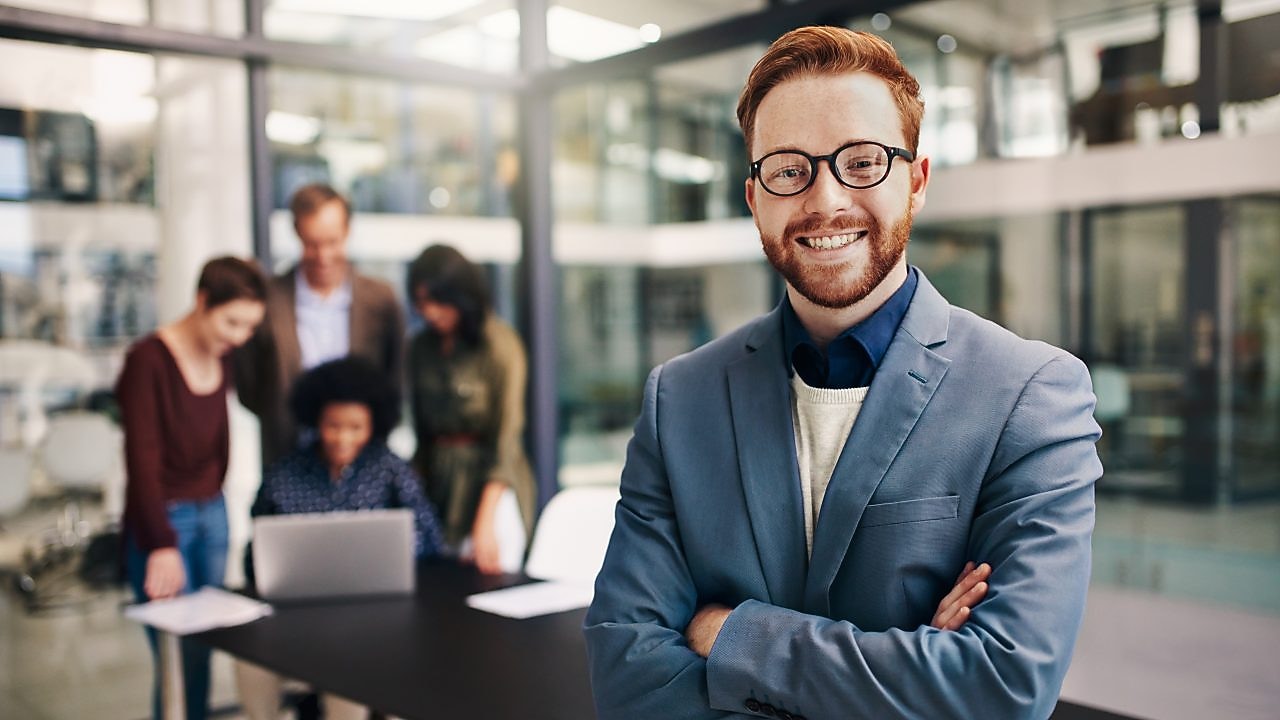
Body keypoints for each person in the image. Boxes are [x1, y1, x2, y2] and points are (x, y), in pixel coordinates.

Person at [584, 26, 1102, 720]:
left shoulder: (1032, 395)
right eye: (789, 169)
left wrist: (726, 632)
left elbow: (1000, 690)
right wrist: (909, 665)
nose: (825, 199)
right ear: (754, 198)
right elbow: (628, 673)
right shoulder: (680, 398)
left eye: (862, 162)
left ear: (916, 182)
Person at [236, 356, 445, 720]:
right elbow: (256, 553)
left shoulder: (389, 468)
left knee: (346, 669)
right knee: (249, 660)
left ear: (373, 425)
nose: (343, 437)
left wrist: (396, 551)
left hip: (375, 619)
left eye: (355, 427)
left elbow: (430, 537)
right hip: (297, 616)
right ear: (316, 420)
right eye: (333, 425)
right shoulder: (284, 473)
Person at [116, 256, 267, 720]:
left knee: (204, 649)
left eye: (248, 328)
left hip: (213, 514)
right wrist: (160, 543)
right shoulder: (148, 360)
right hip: (167, 521)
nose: (239, 337)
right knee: (177, 657)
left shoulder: (224, 355)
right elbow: (141, 461)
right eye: (231, 322)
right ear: (203, 302)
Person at [234, 183, 405, 466]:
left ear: (348, 231)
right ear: (297, 233)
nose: (323, 256)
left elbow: (394, 380)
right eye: (311, 244)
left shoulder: (381, 300)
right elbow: (250, 389)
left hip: (364, 460)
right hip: (286, 452)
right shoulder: (269, 299)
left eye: (332, 242)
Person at [405, 244, 536, 574]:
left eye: (437, 300)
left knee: (488, 589)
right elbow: (421, 437)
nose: (429, 312)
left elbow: (507, 440)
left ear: (461, 295)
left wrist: (484, 522)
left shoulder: (500, 344)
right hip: (438, 489)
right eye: (420, 302)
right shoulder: (420, 347)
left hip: (490, 489)